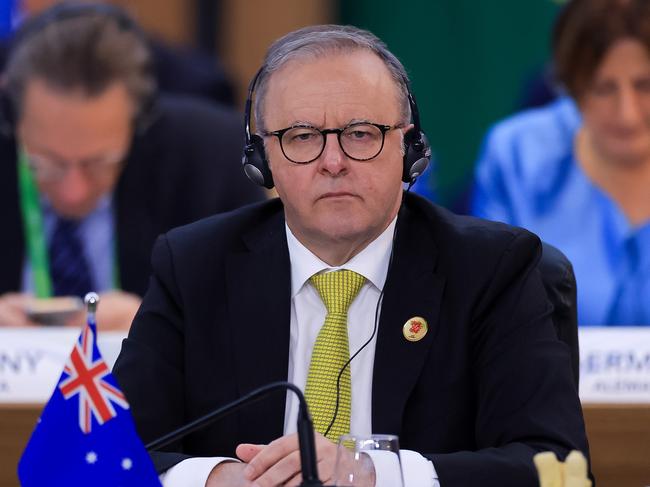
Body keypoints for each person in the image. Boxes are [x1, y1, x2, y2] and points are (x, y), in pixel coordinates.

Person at [114, 25, 590, 486]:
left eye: (361, 134)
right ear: (262, 162)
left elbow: (555, 465)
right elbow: (108, 453)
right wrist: (222, 478)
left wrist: (371, 474)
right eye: (301, 137)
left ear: (409, 148)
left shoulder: (493, 269)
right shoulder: (194, 266)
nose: (333, 161)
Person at [0, 3, 265, 329]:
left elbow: (254, 315)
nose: (73, 192)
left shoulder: (209, 162)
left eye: (99, 163)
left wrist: (166, 328)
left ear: (139, 123)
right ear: (12, 122)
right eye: (47, 164)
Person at [472, 0, 650, 325]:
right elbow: (488, 311)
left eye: (645, 85)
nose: (628, 113)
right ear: (571, 86)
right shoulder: (519, 156)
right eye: (603, 88)